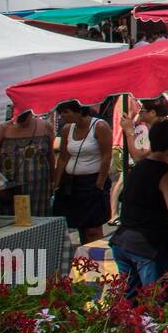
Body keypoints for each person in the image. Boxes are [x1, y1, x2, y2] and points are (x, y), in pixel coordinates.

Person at [111, 119, 168, 302]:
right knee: (156, 304)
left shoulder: (138, 168)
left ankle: (127, 331)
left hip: (123, 242)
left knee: (130, 305)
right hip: (149, 247)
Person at [51, 100, 112, 245]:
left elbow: (106, 156)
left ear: (79, 111)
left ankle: (95, 257)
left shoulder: (100, 126)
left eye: (66, 112)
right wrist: (56, 182)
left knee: (92, 228)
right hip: (72, 183)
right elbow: (63, 157)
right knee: (77, 224)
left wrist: (99, 184)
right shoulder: (67, 129)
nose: (63, 116)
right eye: (61, 113)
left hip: (91, 182)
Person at [0, 110, 54, 219]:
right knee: (7, 228)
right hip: (8, 192)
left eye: (25, 117)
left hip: (38, 189)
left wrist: (52, 181)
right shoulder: (0, 131)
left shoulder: (45, 127)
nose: (21, 122)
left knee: (36, 225)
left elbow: (50, 155)